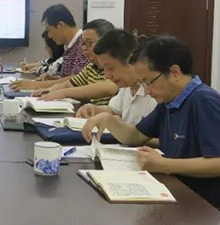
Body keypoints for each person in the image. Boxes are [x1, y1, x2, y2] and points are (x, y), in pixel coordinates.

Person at [82, 36, 220, 208]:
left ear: (175, 73)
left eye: (149, 82)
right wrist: (108, 120)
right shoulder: (168, 101)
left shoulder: (203, 100)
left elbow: (217, 162)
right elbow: (136, 136)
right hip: (175, 192)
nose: (147, 91)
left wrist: (165, 165)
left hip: (203, 205)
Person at [76, 30, 156, 124]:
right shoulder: (126, 87)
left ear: (130, 60)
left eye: (110, 68)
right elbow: (113, 110)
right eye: (104, 69)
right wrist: (93, 109)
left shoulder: (154, 93)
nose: (107, 76)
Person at [9, 10, 99, 92]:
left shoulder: (83, 44)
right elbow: (74, 78)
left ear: (60, 25)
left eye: (49, 30)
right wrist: (56, 78)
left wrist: (36, 85)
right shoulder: (70, 45)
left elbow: (77, 79)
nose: (49, 36)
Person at [33, 19, 119, 104]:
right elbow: (69, 84)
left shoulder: (116, 66)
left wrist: (63, 93)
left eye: (89, 43)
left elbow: (110, 87)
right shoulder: (91, 67)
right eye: (83, 43)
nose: (84, 48)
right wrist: (49, 90)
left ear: (106, 43)